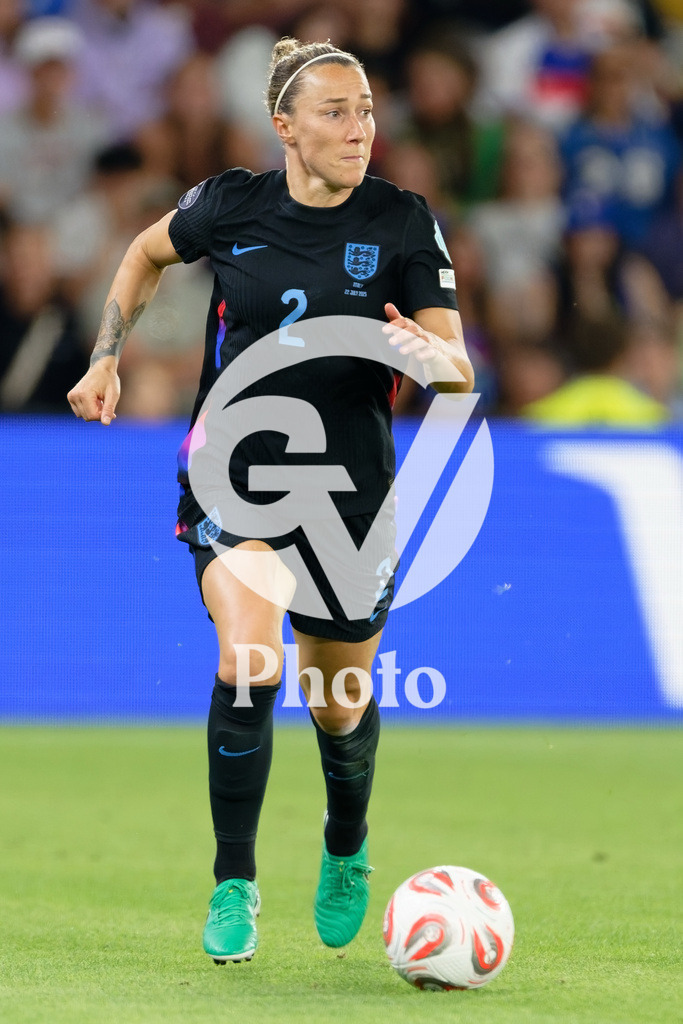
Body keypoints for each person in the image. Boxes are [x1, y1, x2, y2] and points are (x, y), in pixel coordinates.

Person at [67, 36, 474, 964]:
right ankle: (234, 884)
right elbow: (142, 252)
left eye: (367, 109)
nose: (359, 127)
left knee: (336, 700)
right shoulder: (230, 204)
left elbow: (457, 368)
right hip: (236, 482)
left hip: (349, 499)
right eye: (335, 112)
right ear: (284, 126)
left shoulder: (405, 222)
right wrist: (105, 357)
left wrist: (428, 359)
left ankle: (344, 847)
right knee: (250, 663)